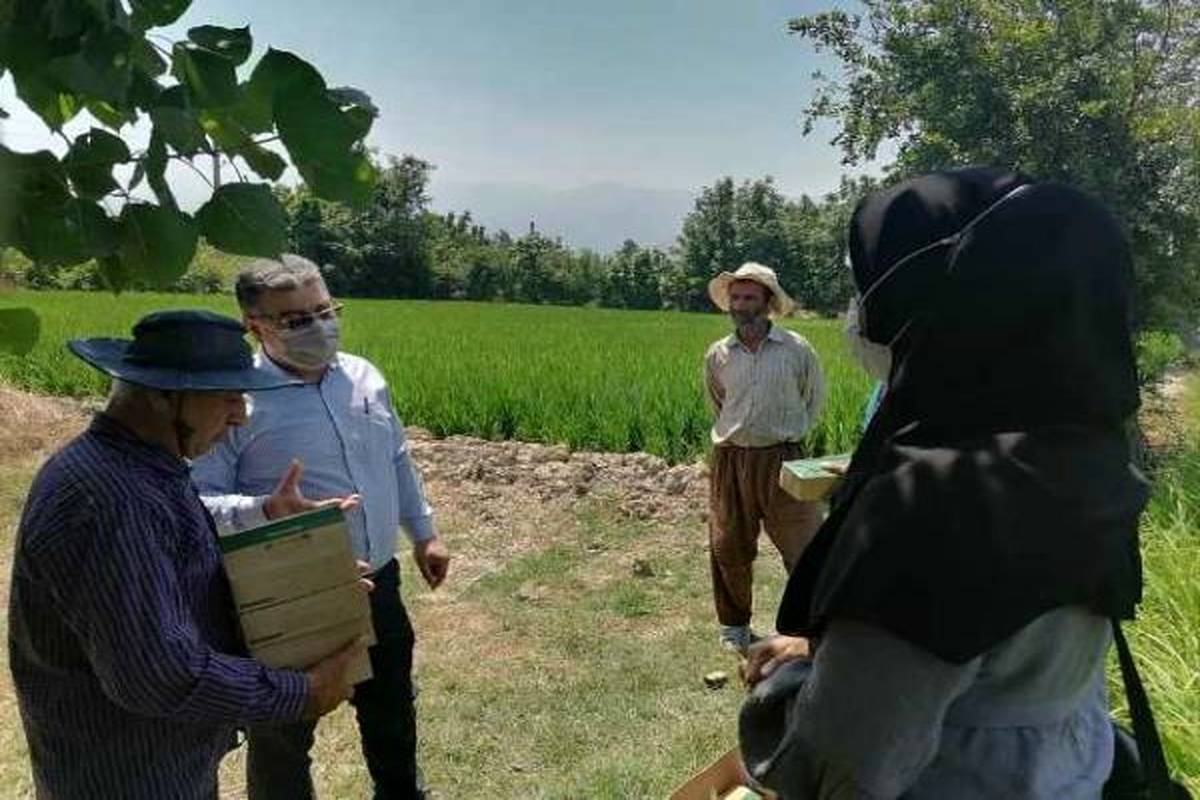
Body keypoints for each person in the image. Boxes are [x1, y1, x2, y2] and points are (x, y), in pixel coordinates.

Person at [736, 168, 1148, 798]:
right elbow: (995, 661)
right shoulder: (1081, 452)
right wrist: (832, 652)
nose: (859, 318)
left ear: (927, 304)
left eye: (867, 295)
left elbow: (842, 763)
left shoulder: (933, 507)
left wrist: (788, 688)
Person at [8, 310, 366, 800]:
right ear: (162, 395)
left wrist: (297, 584)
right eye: (226, 396)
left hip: (160, 763)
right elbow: (158, 676)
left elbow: (179, 570)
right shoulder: (113, 500)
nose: (241, 415)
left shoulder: (141, 470)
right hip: (129, 777)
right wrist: (302, 693)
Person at [192, 254, 449, 800]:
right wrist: (266, 508)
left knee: (391, 708)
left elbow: (396, 458)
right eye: (297, 319)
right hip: (289, 591)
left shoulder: (364, 377)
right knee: (284, 730)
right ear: (255, 326)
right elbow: (197, 502)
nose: (319, 326)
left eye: (325, 311)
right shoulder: (237, 401)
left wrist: (424, 533)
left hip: (378, 578)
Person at [703, 262, 826, 653]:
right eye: (736, 298)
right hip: (731, 459)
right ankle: (734, 627)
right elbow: (719, 403)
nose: (741, 305)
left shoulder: (796, 349)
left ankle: (809, 628)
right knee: (728, 546)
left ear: (767, 302)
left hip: (784, 459)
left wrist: (785, 436)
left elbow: (812, 400)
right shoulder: (719, 354)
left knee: (804, 547)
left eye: (750, 297)